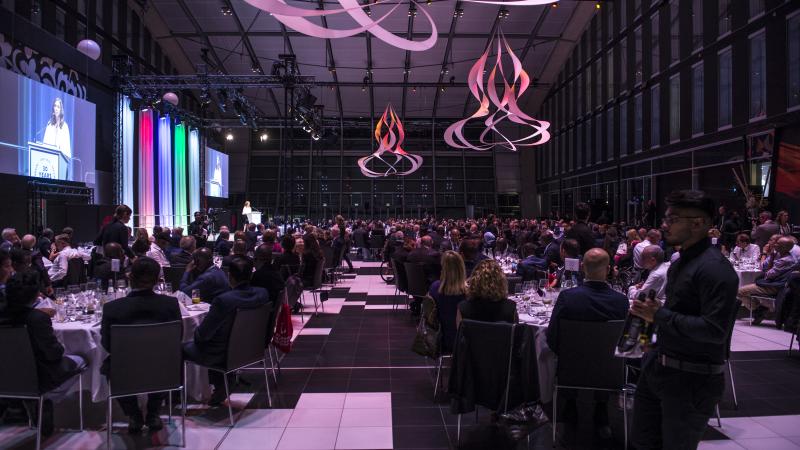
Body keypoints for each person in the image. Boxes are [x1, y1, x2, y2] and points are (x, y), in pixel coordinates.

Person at [630, 190, 739, 450]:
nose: (664, 225)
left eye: (672, 219)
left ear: (698, 223)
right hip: (659, 367)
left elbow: (714, 331)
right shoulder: (680, 263)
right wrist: (649, 340)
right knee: (641, 443)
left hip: (692, 380)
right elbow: (673, 312)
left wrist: (659, 315)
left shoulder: (716, 270)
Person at [546, 248, 628, 440]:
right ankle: (601, 409)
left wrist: (564, 354)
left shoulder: (568, 298)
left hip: (571, 369)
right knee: (606, 356)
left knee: (572, 354)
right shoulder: (621, 301)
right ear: (609, 269)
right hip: (609, 370)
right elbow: (627, 341)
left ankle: (571, 405)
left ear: (582, 267)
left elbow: (552, 336)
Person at [0, 269, 86, 437]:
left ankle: (25, 401)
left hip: (3, 375)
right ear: (35, 295)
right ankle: (46, 399)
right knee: (83, 359)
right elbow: (53, 355)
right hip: (37, 377)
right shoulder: (37, 319)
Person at [100, 257, 181, 433]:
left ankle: (134, 414)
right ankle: (153, 412)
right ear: (157, 280)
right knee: (162, 360)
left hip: (124, 371)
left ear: (130, 278)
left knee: (112, 365)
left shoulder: (112, 308)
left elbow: (107, 344)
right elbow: (177, 339)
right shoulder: (170, 304)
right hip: (163, 369)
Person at [183, 256, 269, 406]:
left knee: (183, 347)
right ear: (251, 274)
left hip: (223, 354)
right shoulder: (262, 293)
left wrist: (194, 334)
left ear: (230, 276)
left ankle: (179, 397)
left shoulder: (224, 300)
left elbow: (202, 336)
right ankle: (224, 381)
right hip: (252, 349)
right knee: (218, 338)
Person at [737, 236, 798, 325]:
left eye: (777, 243)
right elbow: (763, 267)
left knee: (740, 291)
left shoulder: (786, 260)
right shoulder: (778, 253)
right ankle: (761, 309)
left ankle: (759, 310)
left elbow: (767, 275)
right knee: (750, 286)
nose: (774, 244)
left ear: (783, 247)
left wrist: (766, 254)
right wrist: (771, 256)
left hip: (775, 286)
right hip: (772, 282)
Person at [456, 259, 517, 327]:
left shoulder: (463, 308)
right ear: (501, 282)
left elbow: (460, 335)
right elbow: (515, 335)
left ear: (474, 281)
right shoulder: (511, 307)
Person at [428, 251, 467, 354]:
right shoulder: (469, 292)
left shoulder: (435, 288)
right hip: (465, 342)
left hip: (441, 340)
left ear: (443, 268)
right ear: (461, 267)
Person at [251, 244, 284, 309]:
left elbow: (251, 297)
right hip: (275, 311)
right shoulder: (277, 273)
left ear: (257, 259)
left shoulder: (258, 275)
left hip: (263, 313)